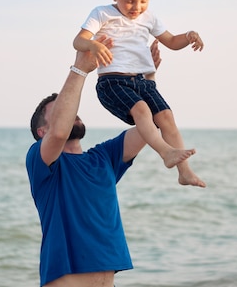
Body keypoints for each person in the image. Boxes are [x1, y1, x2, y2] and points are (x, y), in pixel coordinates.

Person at [26, 37, 158, 287]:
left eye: (73, 110)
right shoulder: (40, 161)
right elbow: (59, 133)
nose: (73, 113)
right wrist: (80, 69)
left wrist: (147, 78)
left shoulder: (103, 158)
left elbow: (148, 125)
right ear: (42, 132)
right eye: (61, 112)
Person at [73, 0, 206, 188]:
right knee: (142, 110)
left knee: (166, 117)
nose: (137, 7)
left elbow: (172, 41)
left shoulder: (149, 18)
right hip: (113, 82)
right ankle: (166, 153)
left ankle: (184, 172)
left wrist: (188, 36)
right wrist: (94, 44)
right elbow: (78, 40)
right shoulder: (103, 13)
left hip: (143, 82)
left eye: (143, 0)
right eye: (130, 1)